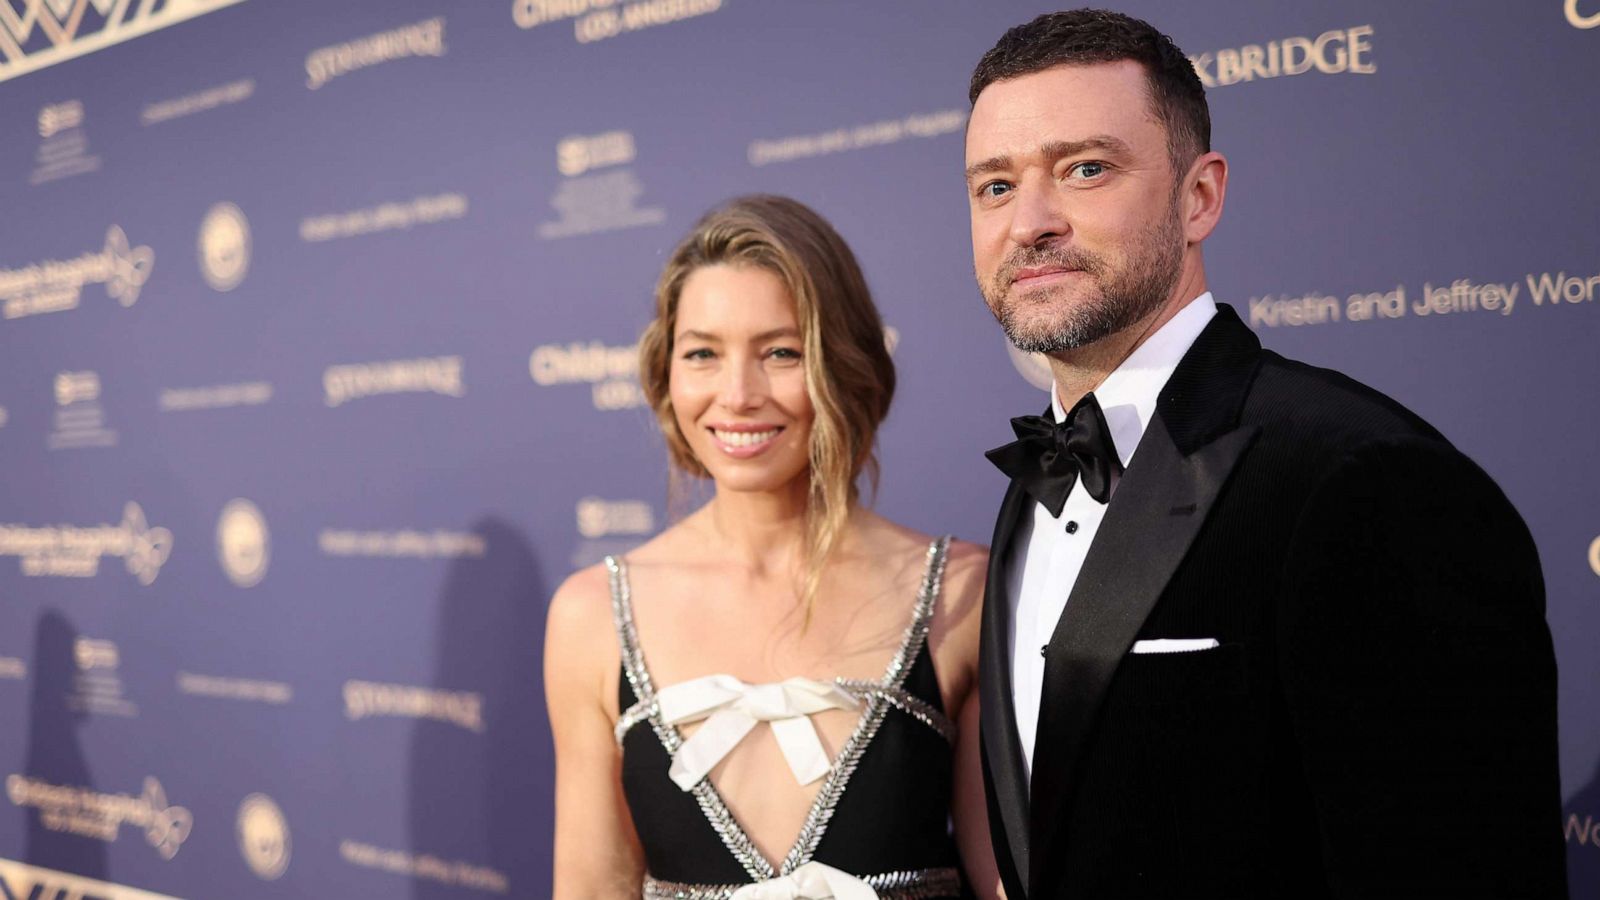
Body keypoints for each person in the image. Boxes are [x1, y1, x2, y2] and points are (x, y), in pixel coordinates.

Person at [962, 10, 1566, 899]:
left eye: (1085, 169)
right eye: (995, 187)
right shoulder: (1031, 486)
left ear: (1199, 196)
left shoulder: (1362, 479)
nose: (1031, 222)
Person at [545, 195, 1000, 898]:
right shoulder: (592, 615)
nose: (737, 394)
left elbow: (1005, 883)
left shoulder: (962, 594)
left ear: (843, 363)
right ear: (668, 372)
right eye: (703, 354)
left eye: (781, 353)